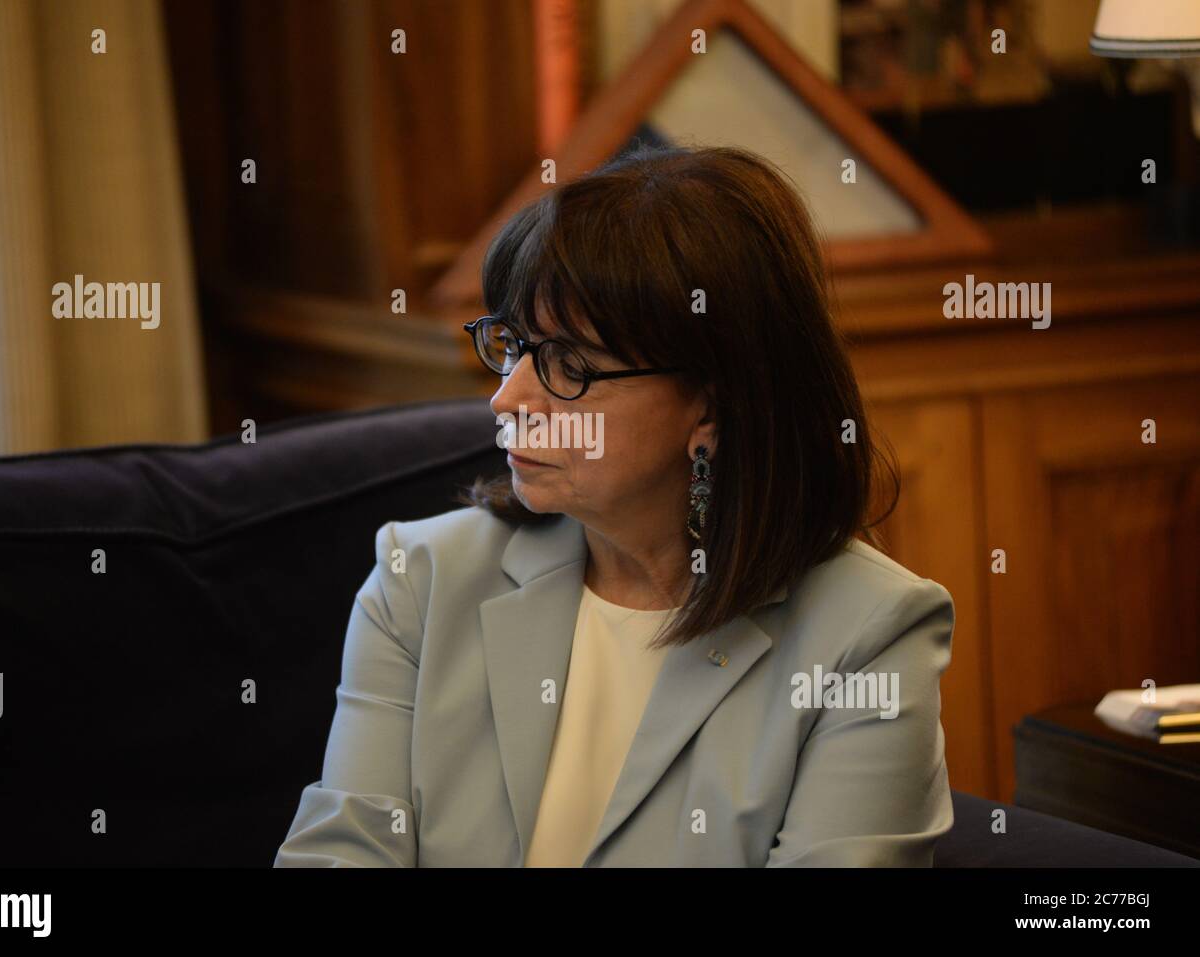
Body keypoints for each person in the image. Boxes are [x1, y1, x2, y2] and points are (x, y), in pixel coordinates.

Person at [274, 143, 955, 867]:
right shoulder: (421, 580)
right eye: (513, 345)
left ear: (713, 406)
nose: (509, 398)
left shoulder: (867, 634)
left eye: (570, 365)